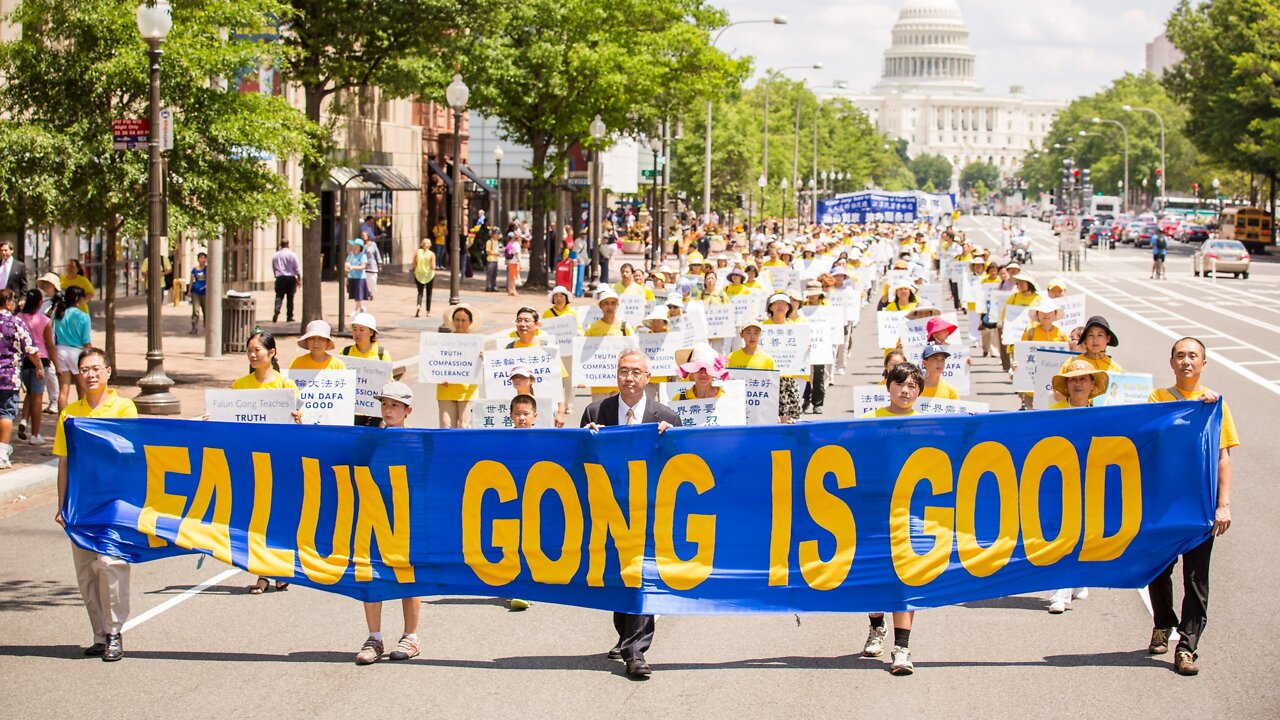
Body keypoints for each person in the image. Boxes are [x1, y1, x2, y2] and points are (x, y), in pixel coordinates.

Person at [579, 348, 678, 679]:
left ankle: (636, 652)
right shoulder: (597, 411)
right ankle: (626, 636)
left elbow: (681, 466)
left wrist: (671, 439)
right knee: (618, 575)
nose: (629, 377)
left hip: (650, 511)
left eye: (636, 372)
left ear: (648, 378)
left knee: (642, 575)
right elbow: (579, 461)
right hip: (610, 508)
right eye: (624, 371)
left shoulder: (665, 416)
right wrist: (588, 439)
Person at [1146, 337, 1237, 676]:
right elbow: (1150, 434)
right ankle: (1162, 623)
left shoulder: (1215, 405)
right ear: (1171, 362)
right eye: (1180, 355)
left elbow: (1223, 456)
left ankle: (1187, 647)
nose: (1187, 361)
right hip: (1163, 503)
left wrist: (1223, 504)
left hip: (1200, 504)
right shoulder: (1158, 398)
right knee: (1159, 570)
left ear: (1204, 363)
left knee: (1196, 577)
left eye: (1193, 356)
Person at [53, 346, 137, 662]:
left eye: (96, 368)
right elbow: (64, 463)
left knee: (110, 563)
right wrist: (62, 505)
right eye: (85, 369)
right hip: (81, 502)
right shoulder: (70, 413)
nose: (90, 374)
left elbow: (130, 453)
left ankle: (115, 631)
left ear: (108, 371)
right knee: (87, 569)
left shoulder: (124, 407)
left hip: (114, 501)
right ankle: (99, 634)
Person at [859, 361, 925, 675]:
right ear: (889, 387)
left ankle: (902, 648)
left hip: (909, 513)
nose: (905, 390)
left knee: (904, 579)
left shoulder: (928, 425)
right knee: (872, 576)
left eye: (912, 386)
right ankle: (876, 626)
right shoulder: (871, 420)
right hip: (873, 510)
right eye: (900, 384)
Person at [352, 380, 423, 664]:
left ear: (408, 410)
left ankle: (411, 637)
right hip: (373, 515)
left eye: (394, 405)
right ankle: (374, 638)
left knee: (409, 577)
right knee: (370, 574)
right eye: (384, 404)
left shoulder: (417, 440)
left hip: (406, 517)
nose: (388, 410)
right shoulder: (370, 439)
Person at [230, 330, 301, 593]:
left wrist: (298, 419)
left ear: (271, 353)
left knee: (279, 517)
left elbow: (299, 427)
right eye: (249, 350)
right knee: (254, 519)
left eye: (257, 349)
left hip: (280, 462)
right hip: (250, 463)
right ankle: (261, 573)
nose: (252, 354)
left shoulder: (286, 386)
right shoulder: (240, 385)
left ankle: (281, 569)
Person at [1040, 359, 1109, 612]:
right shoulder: (1053, 411)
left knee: (1086, 533)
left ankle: (1077, 578)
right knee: (1061, 534)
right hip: (1059, 481)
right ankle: (1059, 592)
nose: (1078, 384)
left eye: (1083, 379)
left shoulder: (1104, 414)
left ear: (1092, 385)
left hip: (1092, 481)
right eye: (1073, 380)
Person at [0, 289, 42, 467]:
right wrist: (39, 367)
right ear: (8, 303)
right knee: (6, 413)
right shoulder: (15, 322)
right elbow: (31, 349)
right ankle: (2, 453)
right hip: (8, 377)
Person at [507, 308, 568, 427]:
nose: (522, 324)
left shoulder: (547, 349)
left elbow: (560, 382)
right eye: (519, 320)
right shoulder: (509, 348)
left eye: (526, 320)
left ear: (536, 325)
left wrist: (561, 412)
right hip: (518, 410)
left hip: (545, 408)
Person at [17, 289, 56, 446]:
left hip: (24, 360)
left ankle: (24, 420)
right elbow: (50, 346)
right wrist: (57, 367)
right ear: (40, 303)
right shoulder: (44, 321)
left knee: (31, 393)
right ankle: (35, 434)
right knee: (38, 397)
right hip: (41, 360)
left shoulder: (18, 318)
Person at [341, 312, 392, 427]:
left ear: (371, 332)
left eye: (361, 329)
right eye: (354, 329)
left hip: (375, 411)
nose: (357, 333)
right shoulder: (345, 353)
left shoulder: (382, 354)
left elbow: (390, 384)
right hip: (351, 410)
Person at [584, 288, 634, 402]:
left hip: (620, 382)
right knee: (599, 415)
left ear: (617, 306)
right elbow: (585, 353)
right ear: (600, 306)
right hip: (599, 382)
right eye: (606, 303)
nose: (610, 307)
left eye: (613, 303)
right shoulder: (592, 328)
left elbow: (633, 351)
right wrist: (582, 377)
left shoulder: (625, 327)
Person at [763, 292, 803, 423]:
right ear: (770, 307)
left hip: (788, 376)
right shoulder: (762, 326)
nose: (780, 306)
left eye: (784, 303)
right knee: (769, 414)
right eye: (777, 303)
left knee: (789, 418)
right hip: (768, 377)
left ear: (788, 308)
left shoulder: (795, 327)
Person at [437, 305, 479, 428]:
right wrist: (437, 376)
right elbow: (435, 362)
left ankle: (465, 448)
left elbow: (482, 368)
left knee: (464, 426)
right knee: (446, 425)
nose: (460, 323)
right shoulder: (442, 341)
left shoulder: (475, 342)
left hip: (467, 390)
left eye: (463, 320)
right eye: (457, 319)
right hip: (446, 388)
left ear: (470, 322)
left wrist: (482, 358)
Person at [52, 285, 91, 411]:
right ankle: (82, 418)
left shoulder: (58, 313)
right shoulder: (83, 316)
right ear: (77, 299)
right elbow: (86, 341)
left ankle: (62, 421)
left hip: (60, 350)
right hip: (77, 352)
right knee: (82, 388)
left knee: (63, 390)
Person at [271, 239, 301, 323]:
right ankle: (289, 316)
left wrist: (276, 275)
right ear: (288, 244)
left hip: (280, 277)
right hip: (290, 278)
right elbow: (297, 268)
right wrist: (299, 280)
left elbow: (274, 267)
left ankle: (277, 309)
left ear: (280, 244)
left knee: (279, 296)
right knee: (290, 298)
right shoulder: (292, 255)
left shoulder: (275, 255)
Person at [345, 238, 370, 314]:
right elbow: (346, 263)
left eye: (357, 245)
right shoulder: (350, 254)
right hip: (351, 277)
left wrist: (353, 267)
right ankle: (361, 308)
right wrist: (346, 268)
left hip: (360, 278)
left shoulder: (362, 255)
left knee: (358, 295)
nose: (355, 247)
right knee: (354, 294)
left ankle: (356, 310)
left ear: (360, 247)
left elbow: (363, 266)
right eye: (354, 245)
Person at [413, 237, 436, 317]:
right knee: (429, 293)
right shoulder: (431, 254)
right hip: (429, 275)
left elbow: (414, 264)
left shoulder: (417, 252)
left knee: (420, 292)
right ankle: (428, 311)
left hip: (419, 274)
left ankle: (418, 305)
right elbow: (433, 266)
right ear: (429, 245)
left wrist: (416, 269)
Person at [188, 252, 208, 335]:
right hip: (196, 292)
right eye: (201, 258)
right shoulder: (195, 269)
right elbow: (191, 280)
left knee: (206, 310)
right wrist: (189, 291)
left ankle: (207, 327)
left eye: (204, 258)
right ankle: (194, 327)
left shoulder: (207, 269)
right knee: (195, 310)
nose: (202, 260)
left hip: (205, 292)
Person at [363, 231, 382, 300]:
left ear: (368, 237)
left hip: (372, 265)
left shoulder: (373, 244)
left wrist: (379, 264)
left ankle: (371, 292)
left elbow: (377, 254)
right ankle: (368, 293)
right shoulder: (362, 245)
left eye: (364, 235)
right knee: (366, 280)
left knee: (372, 280)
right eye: (362, 235)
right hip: (364, 265)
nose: (363, 237)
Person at [484, 224, 503, 292]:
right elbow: (488, 251)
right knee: (490, 274)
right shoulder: (489, 242)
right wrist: (496, 254)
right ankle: (488, 286)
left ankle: (493, 286)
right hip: (490, 260)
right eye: (496, 233)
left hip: (495, 260)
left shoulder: (497, 242)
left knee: (494, 274)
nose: (498, 235)